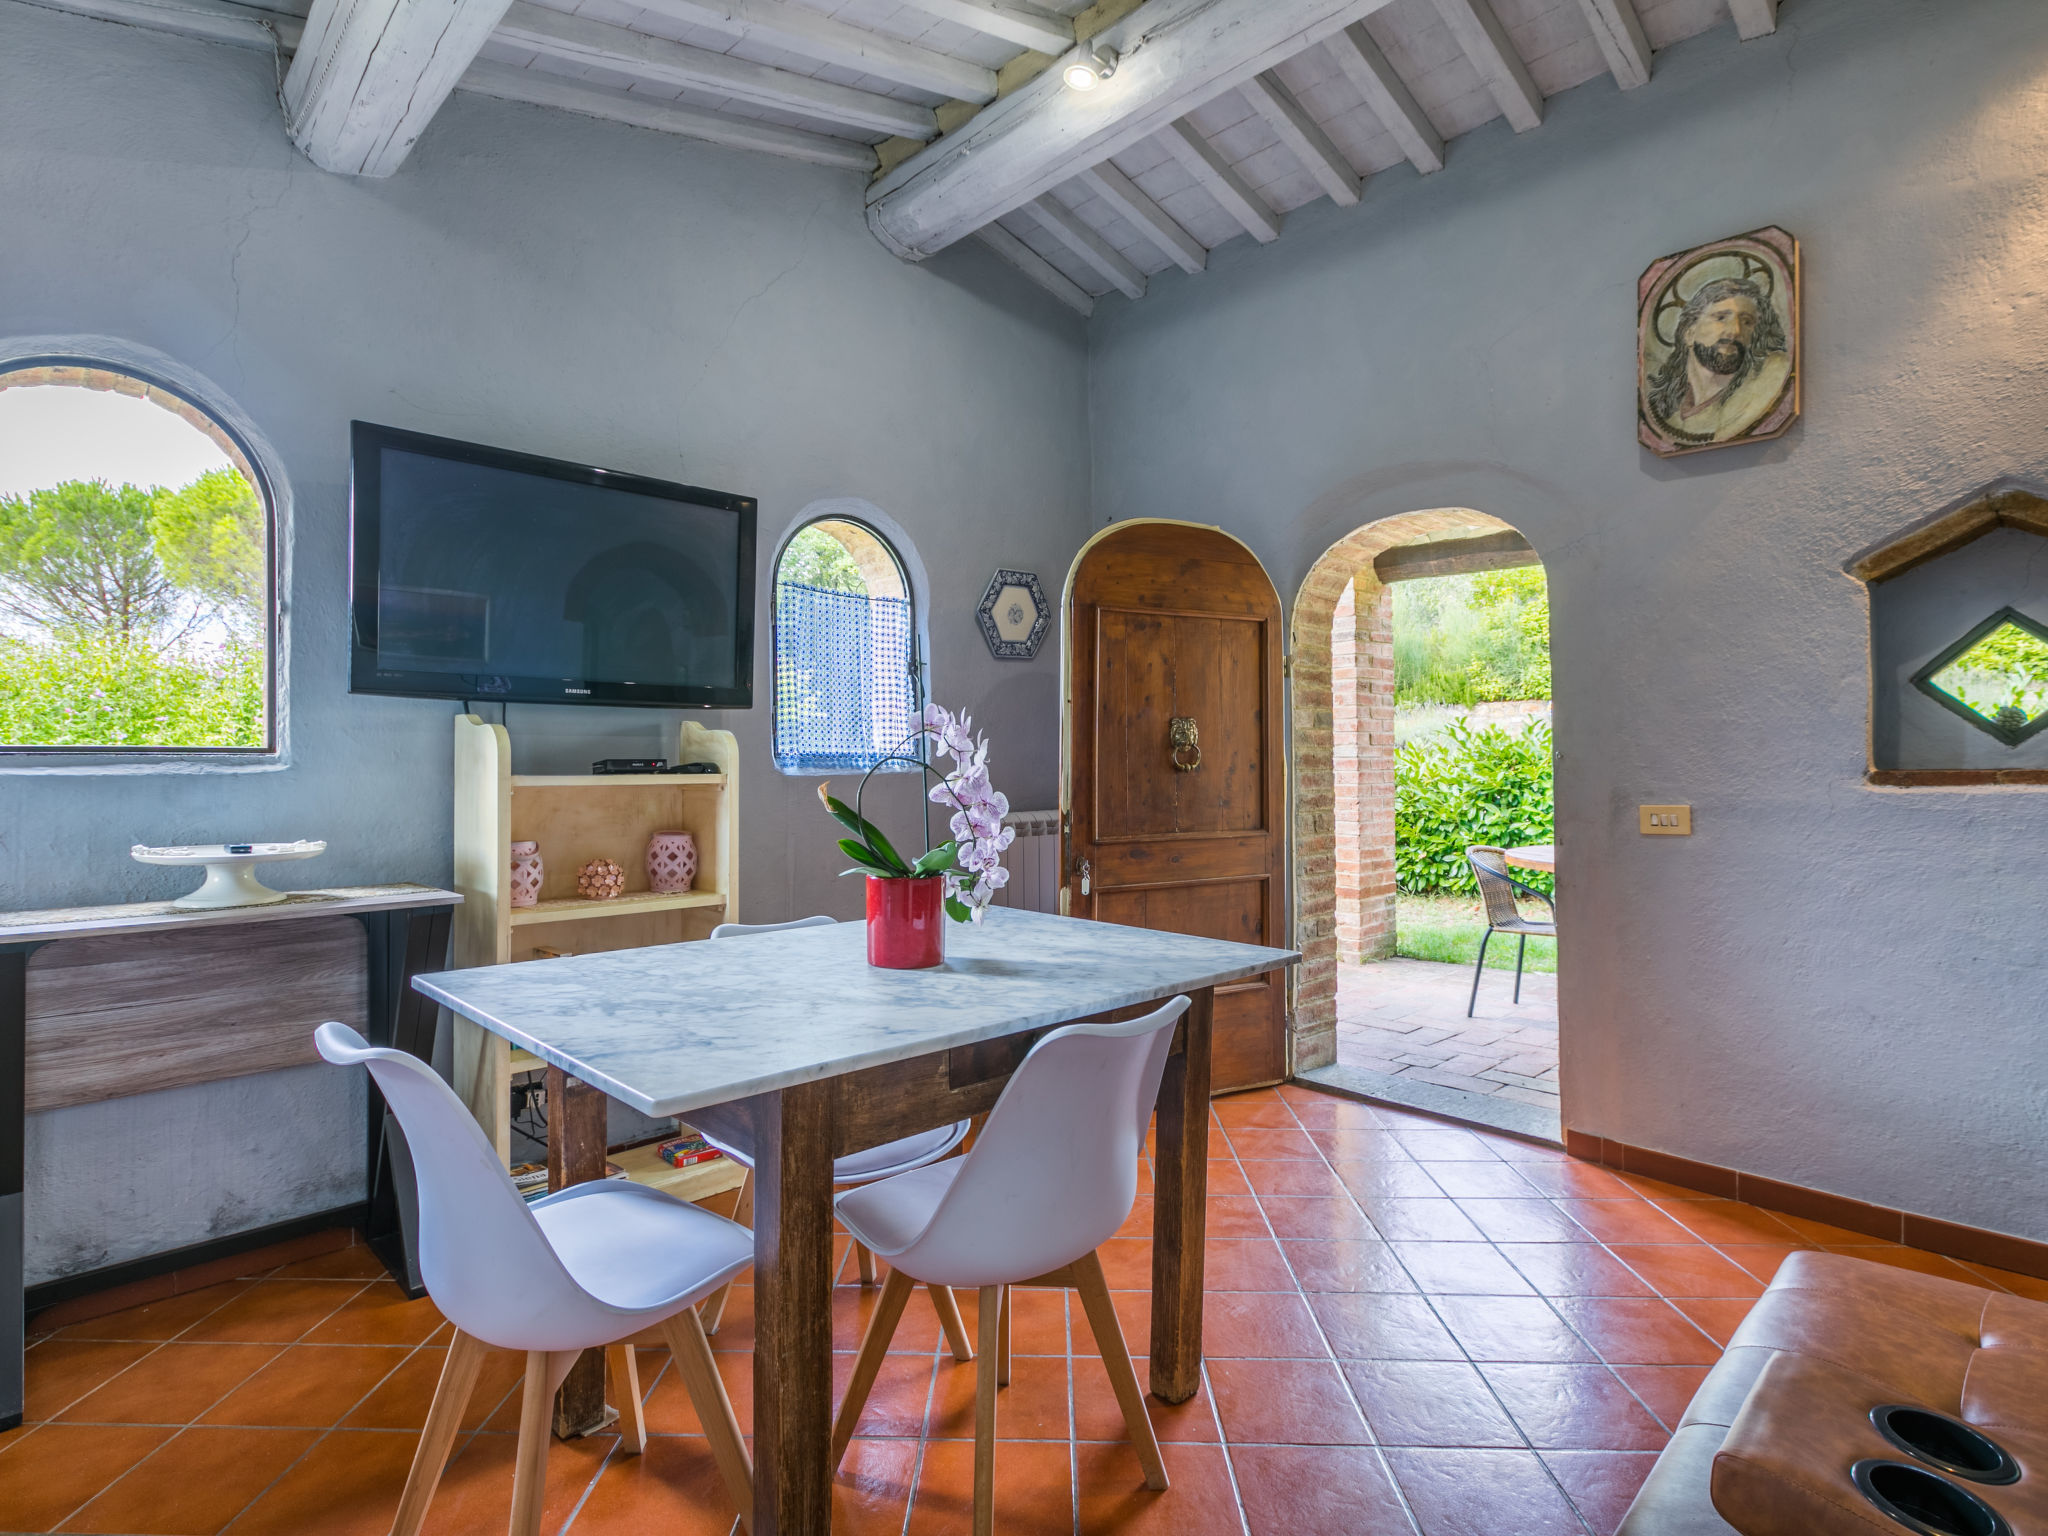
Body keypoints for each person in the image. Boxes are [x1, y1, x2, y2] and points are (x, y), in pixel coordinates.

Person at [1644, 275, 1792, 445]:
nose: (1735, 331)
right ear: (1689, 334)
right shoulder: (1672, 416)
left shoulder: (1765, 383)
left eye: (1747, 322)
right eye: (1721, 318)